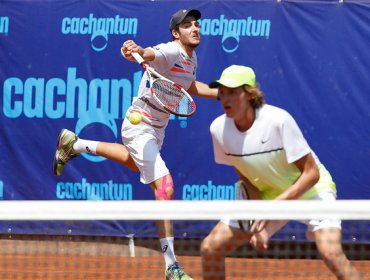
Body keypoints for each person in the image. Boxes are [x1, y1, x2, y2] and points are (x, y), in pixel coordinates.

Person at [53, 9, 217, 280]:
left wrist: (221, 94)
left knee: (133, 162)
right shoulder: (172, 50)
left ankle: (75, 144)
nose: (195, 29)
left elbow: (189, 87)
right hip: (140, 125)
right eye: (187, 26)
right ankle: (171, 266)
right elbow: (153, 53)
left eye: (197, 24)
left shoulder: (191, 58)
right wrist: (138, 50)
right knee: (164, 187)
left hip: (156, 129)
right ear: (176, 33)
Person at [200, 65, 362, 280]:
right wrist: (257, 217)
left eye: (232, 92)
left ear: (249, 94)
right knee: (210, 248)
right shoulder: (218, 130)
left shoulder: (278, 120)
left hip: (311, 191)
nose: (225, 99)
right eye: (222, 93)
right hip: (269, 195)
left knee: (331, 253)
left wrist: (275, 208)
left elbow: (311, 173)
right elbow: (246, 177)